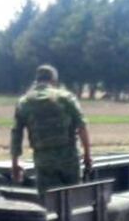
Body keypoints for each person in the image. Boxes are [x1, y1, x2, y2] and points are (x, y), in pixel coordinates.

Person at [10, 64, 92, 195]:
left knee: (49, 201)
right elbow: (81, 126)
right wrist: (87, 155)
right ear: (54, 81)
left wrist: (15, 163)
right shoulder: (66, 98)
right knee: (73, 200)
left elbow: (16, 134)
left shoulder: (24, 102)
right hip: (69, 158)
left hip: (43, 159)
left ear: (36, 80)